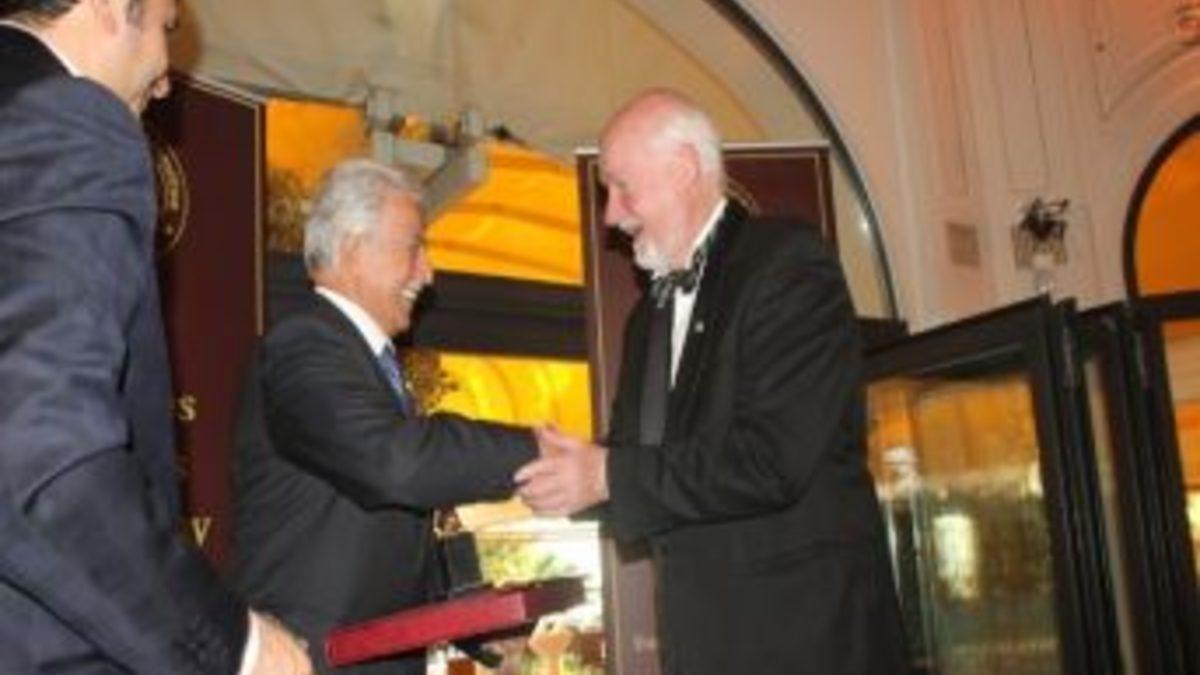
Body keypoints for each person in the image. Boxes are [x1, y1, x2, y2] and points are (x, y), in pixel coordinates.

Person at [516, 89, 908, 674]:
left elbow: (771, 459)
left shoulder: (786, 263)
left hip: (806, 640)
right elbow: (642, 463)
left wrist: (604, 474)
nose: (611, 216)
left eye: (622, 187)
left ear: (682, 169)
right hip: (702, 643)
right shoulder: (646, 317)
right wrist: (567, 476)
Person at [0, 0, 311, 673]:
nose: (167, 80)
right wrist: (235, 646)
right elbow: (39, 449)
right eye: (167, 29)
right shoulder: (65, 120)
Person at [231, 159, 541, 674]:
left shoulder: (365, 361)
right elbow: (397, 465)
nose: (428, 272)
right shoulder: (303, 345)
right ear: (355, 249)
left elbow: (392, 533)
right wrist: (541, 451)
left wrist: (478, 621)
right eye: (414, 248)